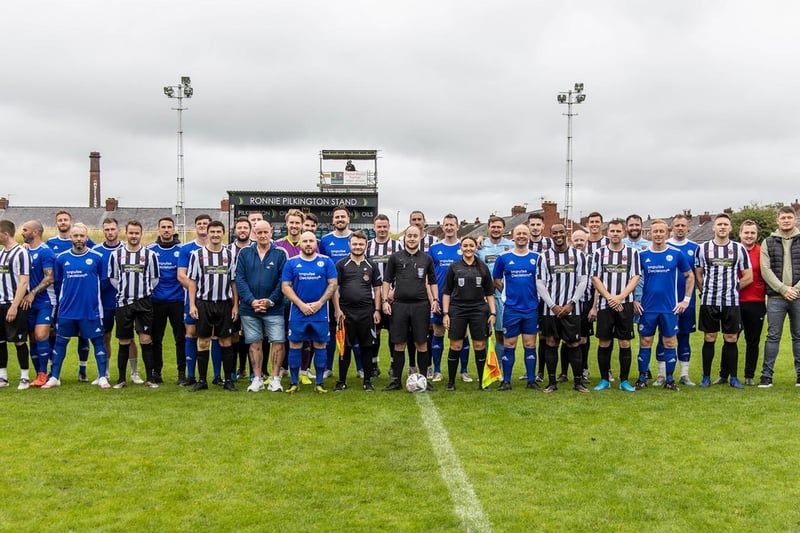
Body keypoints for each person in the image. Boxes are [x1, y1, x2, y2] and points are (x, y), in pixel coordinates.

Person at [43, 223, 110, 389]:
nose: (79, 239)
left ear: (86, 237)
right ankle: (55, 377)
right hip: (67, 309)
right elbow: (58, 281)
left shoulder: (97, 257)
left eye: (82, 236)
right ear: (71, 238)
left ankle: (102, 376)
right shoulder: (62, 258)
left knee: (97, 341)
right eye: (76, 236)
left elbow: (103, 280)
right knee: (60, 342)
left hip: (90, 309)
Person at [633, 219, 694, 391]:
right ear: (649, 234)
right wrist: (634, 299)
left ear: (666, 234)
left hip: (669, 308)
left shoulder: (675, 254)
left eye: (661, 231)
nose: (658, 234)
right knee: (645, 341)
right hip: (648, 307)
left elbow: (689, 275)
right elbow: (633, 279)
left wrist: (686, 300)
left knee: (669, 342)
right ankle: (642, 378)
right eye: (655, 231)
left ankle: (669, 380)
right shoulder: (642, 256)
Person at [694, 213, 752, 389]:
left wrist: (733, 288)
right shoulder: (703, 248)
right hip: (709, 301)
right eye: (719, 224)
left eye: (725, 224)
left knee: (731, 338)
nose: (722, 227)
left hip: (731, 301)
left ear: (730, 228)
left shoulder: (739, 248)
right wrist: (705, 290)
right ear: (713, 227)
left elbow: (748, 276)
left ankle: (733, 377)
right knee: (709, 337)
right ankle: (706, 377)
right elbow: (698, 273)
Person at [381, 225, 438, 391]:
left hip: (421, 305)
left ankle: (425, 380)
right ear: (404, 238)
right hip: (400, 306)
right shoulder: (395, 257)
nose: (412, 238)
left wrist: (435, 299)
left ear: (420, 237)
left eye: (415, 235)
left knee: (422, 343)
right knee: (399, 344)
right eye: (409, 236)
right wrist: (385, 300)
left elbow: (433, 282)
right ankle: (396, 381)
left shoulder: (426, 259)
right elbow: (386, 281)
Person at [281, 231, 337, 393]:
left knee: (320, 345)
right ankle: (293, 382)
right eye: (305, 241)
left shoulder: (326, 262)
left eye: (311, 241)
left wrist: (320, 303)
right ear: (300, 243)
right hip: (298, 313)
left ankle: (319, 383)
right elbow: (285, 286)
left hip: (320, 312)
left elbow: (333, 284)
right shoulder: (291, 263)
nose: (308, 244)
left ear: (316, 244)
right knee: (295, 344)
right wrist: (301, 304)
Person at [536, 223, 590, 393]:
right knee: (551, 342)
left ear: (566, 233)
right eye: (554, 232)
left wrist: (571, 302)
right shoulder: (543, 257)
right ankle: (552, 382)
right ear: (550, 235)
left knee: (574, 343)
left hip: (572, 309)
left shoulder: (578, 255)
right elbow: (540, 283)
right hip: (550, 309)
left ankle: (578, 382)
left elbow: (583, 281)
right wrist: (552, 305)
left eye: (561, 232)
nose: (558, 235)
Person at [186, 220, 239, 392]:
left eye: (218, 231)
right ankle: (202, 380)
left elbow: (233, 282)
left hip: (224, 303)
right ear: (207, 233)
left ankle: (228, 380)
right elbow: (192, 281)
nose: (215, 234)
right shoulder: (197, 254)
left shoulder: (230, 254)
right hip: (204, 304)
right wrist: (192, 304)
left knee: (225, 341)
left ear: (223, 233)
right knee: (203, 342)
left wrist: (235, 306)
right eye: (212, 231)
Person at [236, 220, 287, 393]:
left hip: (274, 307)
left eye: (266, 232)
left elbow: (283, 280)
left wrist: (270, 300)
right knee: (254, 343)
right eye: (259, 232)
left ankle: (275, 379)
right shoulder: (244, 253)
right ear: (253, 234)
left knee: (278, 342)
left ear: (271, 232)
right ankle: (257, 378)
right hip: (249, 308)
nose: (263, 235)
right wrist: (252, 301)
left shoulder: (280, 253)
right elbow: (239, 279)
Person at [108, 220, 160, 389]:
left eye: (137, 233)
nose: (134, 236)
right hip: (124, 302)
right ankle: (121, 379)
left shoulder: (150, 255)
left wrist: (141, 293)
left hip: (144, 302)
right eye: (131, 233)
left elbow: (154, 279)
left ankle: (150, 378)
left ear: (141, 234)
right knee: (124, 340)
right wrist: (126, 292)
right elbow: (114, 279)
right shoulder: (116, 255)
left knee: (146, 339)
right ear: (126, 233)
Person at [591, 218, 641, 392]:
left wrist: (620, 297)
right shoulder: (599, 253)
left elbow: (635, 277)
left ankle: (624, 380)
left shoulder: (632, 253)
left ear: (623, 232)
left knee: (625, 343)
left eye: (618, 231)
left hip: (624, 304)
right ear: (607, 233)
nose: (615, 234)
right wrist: (609, 297)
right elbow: (595, 277)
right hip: (606, 304)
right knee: (604, 342)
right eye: (612, 231)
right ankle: (604, 379)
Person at [46, 210, 95, 381]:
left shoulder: (82, 239)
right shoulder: (50, 243)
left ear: (70, 222)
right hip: (60, 296)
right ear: (56, 223)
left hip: (81, 296)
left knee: (83, 333)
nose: (63, 222)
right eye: (60, 220)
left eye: (66, 219)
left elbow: (96, 257)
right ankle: (53, 369)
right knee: (55, 332)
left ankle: (83, 370)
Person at [442, 236, 496, 391]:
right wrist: (446, 314)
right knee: (456, 345)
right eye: (465, 245)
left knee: (479, 345)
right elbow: (446, 292)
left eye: (471, 245)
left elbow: (490, 293)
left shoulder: (483, 267)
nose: (468, 248)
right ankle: (451, 382)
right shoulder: (454, 267)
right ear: (461, 247)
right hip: (458, 309)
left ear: (475, 248)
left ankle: (482, 382)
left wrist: (493, 313)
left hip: (479, 309)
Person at [492, 224, 540, 390]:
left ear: (528, 237)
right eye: (518, 233)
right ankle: (506, 381)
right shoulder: (504, 258)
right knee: (509, 344)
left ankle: (531, 380)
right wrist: (505, 292)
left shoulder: (537, 257)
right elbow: (496, 278)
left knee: (529, 344)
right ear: (513, 235)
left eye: (524, 234)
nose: (521, 236)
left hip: (531, 308)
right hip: (511, 309)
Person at [93, 218, 140, 384]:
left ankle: (134, 373)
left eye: (113, 229)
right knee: (105, 336)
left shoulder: (127, 249)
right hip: (104, 302)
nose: (110, 232)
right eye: (107, 229)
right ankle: (104, 373)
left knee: (129, 337)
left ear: (119, 230)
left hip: (126, 302)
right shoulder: (96, 250)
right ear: (103, 231)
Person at [654, 214, 700, 386]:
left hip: (687, 301)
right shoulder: (665, 247)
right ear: (671, 229)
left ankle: (684, 375)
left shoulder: (695, 248)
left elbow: (696, 274)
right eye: (677, 225)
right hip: (666, 302)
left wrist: (690, 297)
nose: (680, 228)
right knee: (663, 337)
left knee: (684, 336)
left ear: (687, 228)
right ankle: (661, 375)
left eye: (683, 225)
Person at [333, 230, 381, 391]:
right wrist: (337, 310)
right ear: (349, 245)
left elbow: (378, 289)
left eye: (361, 244)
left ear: (366, 245)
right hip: (346, 312)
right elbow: (335, 289)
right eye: (355, 244)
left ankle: (367, 381)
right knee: (344, 348)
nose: (358, 247)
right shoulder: (341, 264)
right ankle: (341, 381)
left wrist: (377, 310)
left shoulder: (371, 265)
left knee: (366, 347)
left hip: (366, 312)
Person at [758, 206, 800, 388]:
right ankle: (767, 376)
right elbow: (765, 270)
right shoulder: (769, 241)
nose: (786, 220)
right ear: (778, 220)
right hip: (776, 297)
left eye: (789, 217)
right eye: (783, 217)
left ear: (795, 220)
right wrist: (783, 289)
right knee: (773, 336)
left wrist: (795, 290)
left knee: (798, 336)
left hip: (798, 297)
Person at [148, 216, 187, 385]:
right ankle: (157, 372)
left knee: (181, 338)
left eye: (169, 227)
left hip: (177, 301)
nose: (166, 230)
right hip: (156, 301)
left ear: (173, 229)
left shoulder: (182, 250)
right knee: (156, 338)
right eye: (163, 227)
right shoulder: (150, 250)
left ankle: (181, 373)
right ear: (158, 229)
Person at [429, 213, 468, 383]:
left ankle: (464, 371)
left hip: (461, 300)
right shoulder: (434, 249)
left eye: (452, 224)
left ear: (457, 227)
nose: (450, 227)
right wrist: (432, 299)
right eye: (447, 225)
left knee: (463, 335)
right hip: (439, 299)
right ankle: (437, 371)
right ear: (443, 227)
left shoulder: (465, 247)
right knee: (438, 332)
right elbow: (428, 278)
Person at [177, 214, 212, 387]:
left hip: (213, 301)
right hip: (192, 299)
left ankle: (217, 376)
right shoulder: (186, 249)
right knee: (191, 333)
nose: (202, 226)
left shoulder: (221, 249)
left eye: (206, 223)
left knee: (213, 336)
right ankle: (190, 375)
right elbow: (181, 275)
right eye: (199, 223)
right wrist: (196, 291)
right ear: (195, 227)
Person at [20, 220, 55, 387]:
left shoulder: (45, 252)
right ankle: (38, 374)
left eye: (25, 230)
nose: (22, 233)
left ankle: (43, 373)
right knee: (32, 338)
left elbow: (49, 276)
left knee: (41, 335)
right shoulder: (23, 251)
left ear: (35, 232)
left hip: (44, 301)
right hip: (25, 303)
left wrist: (33, 293)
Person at [319, 205, 353, 379]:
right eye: (337, 217)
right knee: (331, 330)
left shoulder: (356, 238)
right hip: (331, 293)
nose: (340, 219)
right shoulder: (325, 240)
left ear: (348, 219)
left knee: (355, 331)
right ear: (333, 220)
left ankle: (361, 368)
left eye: (343, 217)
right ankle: (328, 367)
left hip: (353, 293)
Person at [476, 215, 513, 364]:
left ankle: (498, 368)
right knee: (483, 334)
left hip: (502, 295)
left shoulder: (511, 245)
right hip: (483, 296)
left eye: (499, 227)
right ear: (488, 228)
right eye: (493, 226)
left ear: (504, 229)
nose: (496, 229)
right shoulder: (481, 246)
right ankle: (485, 367)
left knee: (500, 333)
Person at [366, 213, 399, 378]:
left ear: (389, 227)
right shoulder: (367, 246)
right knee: (374, 332)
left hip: (394, 296)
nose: (382, 229)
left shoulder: (397, 245)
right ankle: (373, 365)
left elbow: (403, 270)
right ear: (374, 228)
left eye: (385, 226)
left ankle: (394, 365)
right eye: (379, 226)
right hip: (372, 297)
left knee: (394, 332)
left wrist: (395, 290)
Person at [0, 220, 31, 389]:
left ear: (5, 234)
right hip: (0, 303)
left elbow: (24, 281)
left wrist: (14, 306)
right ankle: (2, 376)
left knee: (19, 341)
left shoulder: (21, 253)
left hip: (15, 304)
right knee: (1, 341)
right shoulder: (1, 253)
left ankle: (24, 377)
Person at [735, 220, 766, 386]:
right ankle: (726, 374)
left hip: (756, 301)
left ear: (756, 235)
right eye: (746, 232)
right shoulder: (732, 250)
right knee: (731, 338)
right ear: (740, 234)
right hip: (734, 301)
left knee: (752, 340)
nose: (749, 236)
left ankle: (749, 375)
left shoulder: (762, 252)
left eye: (752, 233)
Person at [229, 217, 253, 380]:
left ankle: (252, 370)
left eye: (245, 227)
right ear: (234, 230)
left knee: (251, 335)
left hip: (251, 299)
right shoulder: (227, 250)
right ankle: (236, 369)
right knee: (234, 335)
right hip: (231, 301)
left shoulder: (256, 248)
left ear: (250, 230)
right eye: (239, 228)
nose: (242, 230)